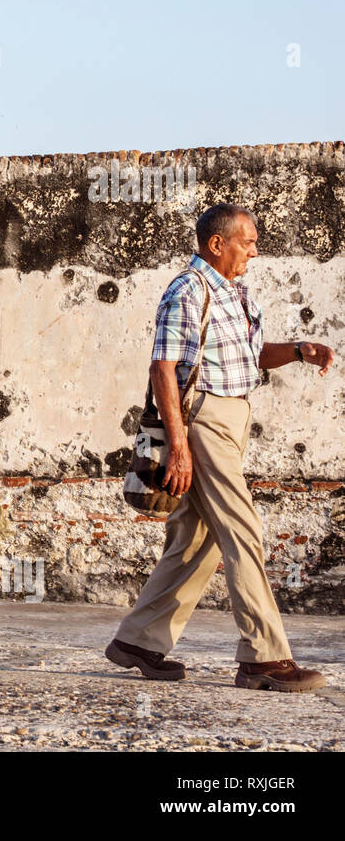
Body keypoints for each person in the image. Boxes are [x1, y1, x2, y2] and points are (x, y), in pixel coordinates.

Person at [105, 203, 335, 692]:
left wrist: (296, 351)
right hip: (203, 421)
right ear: (217, 243)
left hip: (233, 417)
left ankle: (138, 641)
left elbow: (251, 358)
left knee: (197, 542)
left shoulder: (234, 291)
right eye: (247, 241)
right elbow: (163, 369)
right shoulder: (187, 291)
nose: (254, 250)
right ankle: (263, 659)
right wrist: (181, 447)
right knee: (243, 530)